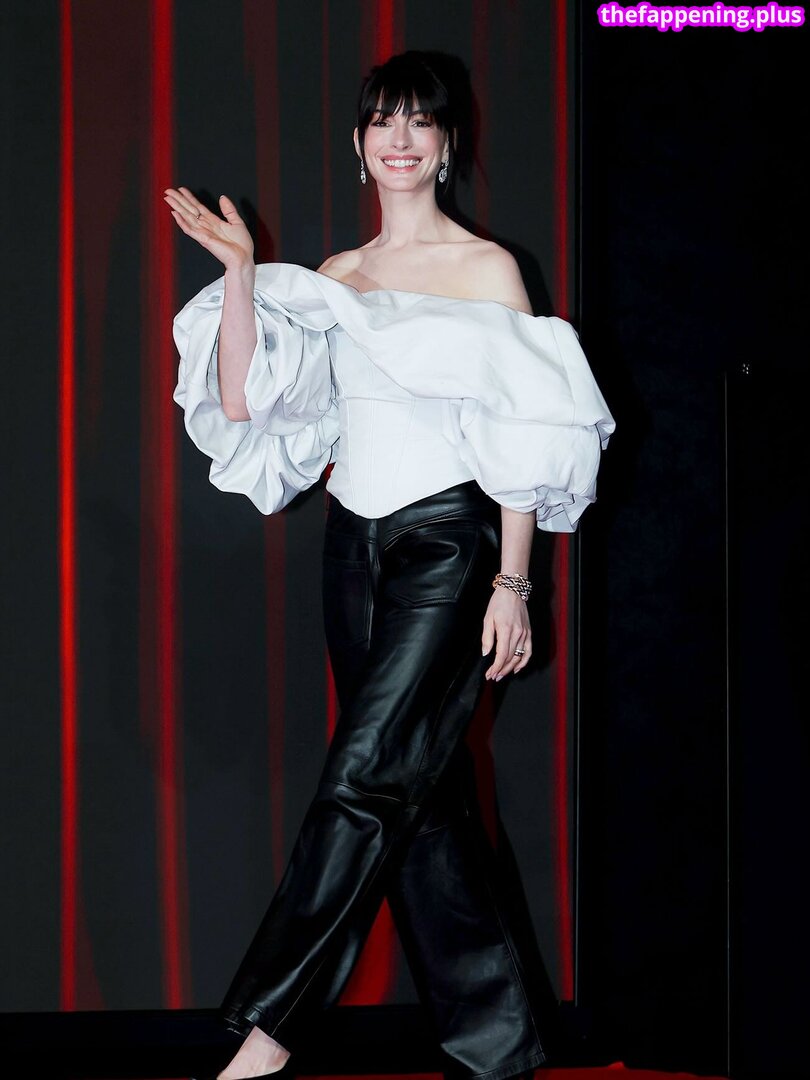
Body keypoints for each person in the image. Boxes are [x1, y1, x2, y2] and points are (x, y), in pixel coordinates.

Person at [166, 49, 614, 1080]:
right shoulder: (337, 277)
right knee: (423, 795)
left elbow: (521, 434)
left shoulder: (490, 270)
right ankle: (500, 1051)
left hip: (447, 548)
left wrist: (513, 584)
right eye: (383, 122)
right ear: (360, 145)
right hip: (353, 552)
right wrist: (240, 277)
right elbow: (241, 402)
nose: (400, 139)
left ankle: (266, 1034)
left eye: (420, 121)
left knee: (364, 779)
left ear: (448, 144)